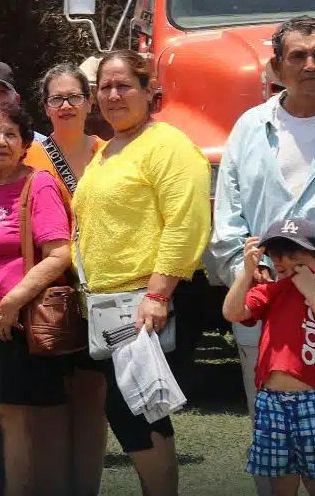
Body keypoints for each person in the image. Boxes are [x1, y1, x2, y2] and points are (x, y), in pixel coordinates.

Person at [211, 16, 315, 496]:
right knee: (273, 443)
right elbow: (229, 217)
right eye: (298, 56)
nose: (312, 65)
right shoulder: (249, 129)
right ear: (275, 68)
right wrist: (251, 273)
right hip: (268, 322)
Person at [72, 50, 210, 496]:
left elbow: (187, 220)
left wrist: (159, 293)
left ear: (150, 91)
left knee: (136, 408)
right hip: (111, 306)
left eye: (123, 85)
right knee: (131, 408)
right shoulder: (107, 150)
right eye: (104, 87)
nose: (112, 95)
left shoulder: (167, 144)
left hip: (148, 303)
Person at [0, 104, 74, 496]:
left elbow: (60, 253)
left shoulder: (37, 184)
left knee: (18, 415)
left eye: (11, 134)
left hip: (22, 324)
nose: (1, 142)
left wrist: (12, 300)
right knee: (4, 415)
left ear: (26, 143)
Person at [225, 219, 315, 496]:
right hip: (270, 400)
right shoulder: (271, 291)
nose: (283, 262)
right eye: (276, 255)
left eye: (294, 257)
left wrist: (312, 292)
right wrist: (247, 271)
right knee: (281, 481)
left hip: (314, 400)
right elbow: (232, 313)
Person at [24, 63, 109, 496]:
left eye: (74, 97)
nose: (66, 106)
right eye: (56, 99)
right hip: (48, 295)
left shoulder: (110, 153)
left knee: (93, 402)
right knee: (51, 404)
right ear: (45, 108)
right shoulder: (31, 157)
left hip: (101, 294)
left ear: (89, 101)